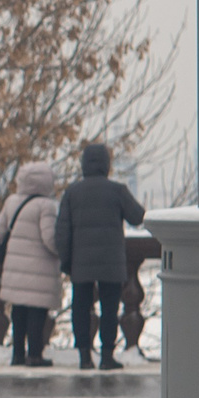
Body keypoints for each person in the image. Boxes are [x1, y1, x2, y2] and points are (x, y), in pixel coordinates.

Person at [55, 142, 147, 370]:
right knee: (109, 309)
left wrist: (66, 262)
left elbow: (62, 232)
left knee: (81, 309)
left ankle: (84, 356)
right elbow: (137, 217)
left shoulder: (72, 193)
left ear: (84, 164)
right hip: (111, 263)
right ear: (107, 165)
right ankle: (107, 356)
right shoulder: (118, 191)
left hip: (81, 263)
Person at [0, 161, 63, 366]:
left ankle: (17, 354)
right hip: (40, 268)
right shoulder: (46, 206)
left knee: (18, 311)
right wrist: (61, 251)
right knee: (37, 312)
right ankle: (34, 355)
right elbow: (50, 239)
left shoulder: (12, 201)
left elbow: (0, 229)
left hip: (15, 267)